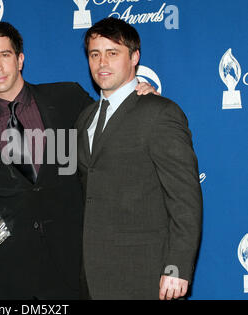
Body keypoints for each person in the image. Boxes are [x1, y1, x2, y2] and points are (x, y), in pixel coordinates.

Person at [0, 21, 155, 299]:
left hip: (75, 264)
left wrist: (138, 96)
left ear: (20, 59)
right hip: (10, 272)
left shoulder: (67, 98)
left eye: (5, 55)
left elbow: (113, 125)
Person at [75, 17, 202, 300]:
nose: (102, 62)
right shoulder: (85, 118)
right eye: (95, 54)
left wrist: (177, 267)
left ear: (134, 57)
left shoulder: (160, 113)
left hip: (146, 274)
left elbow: (184, 198)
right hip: (93, 276)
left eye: (112, 53)